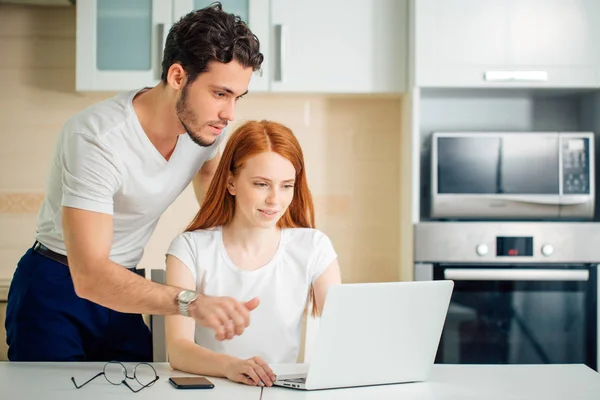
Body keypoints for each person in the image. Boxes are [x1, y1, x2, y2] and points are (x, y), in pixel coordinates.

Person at [5, 3, 264, 362]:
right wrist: (190, 302)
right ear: (177, 77)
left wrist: (240, 243)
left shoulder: (205, 130)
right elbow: (91, 275)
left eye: (237, 97)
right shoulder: (97, 137)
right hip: (58, 284)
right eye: (220, 93)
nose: (229, 114)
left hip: (125, 283)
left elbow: (209, 174)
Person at [164, 120, 342, 387]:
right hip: (214, 389)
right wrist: (231, 367)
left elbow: (343, 329)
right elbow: (178, 349)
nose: (275, 199)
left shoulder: (314, 247)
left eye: (286, 186)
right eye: (261, 184)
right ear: (231, 183)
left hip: (281, 391)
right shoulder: (190, 249)